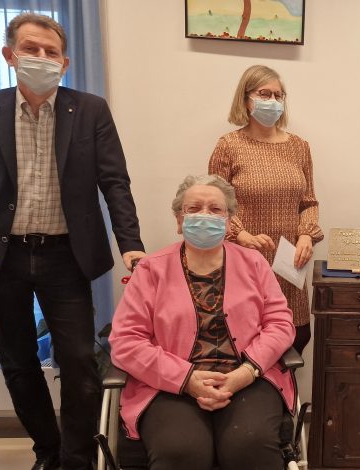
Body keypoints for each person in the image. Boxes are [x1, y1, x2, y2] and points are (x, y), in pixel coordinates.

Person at [0, 13, 145, 470]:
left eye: (51, 52)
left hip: (66, 258)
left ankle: (76, 461)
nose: (41, 58)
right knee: (17, 363)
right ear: (9, 55)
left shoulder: (90, 109)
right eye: (30, 49)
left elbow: (115, 183)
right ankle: (47, 452)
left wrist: (130, 242)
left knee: (78, 363)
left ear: (66, 62)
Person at [110, 174, 296, 470]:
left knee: (248, 443)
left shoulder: (254, 263)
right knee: (181, 451)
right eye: (193, 209)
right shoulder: (150, 270)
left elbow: (280, 323)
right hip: (169, 384)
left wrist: (245, 373)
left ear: (229, 219)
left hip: (247, 378)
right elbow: (125, 341)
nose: (204, 216)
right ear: (178, 219)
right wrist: (186, 379)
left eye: (215, 209)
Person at [209, 64, 322, 354]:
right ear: (246, 99)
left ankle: (286, 400)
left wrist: (307, 236)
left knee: (296, 339)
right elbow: (214, 205)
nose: (273, 101)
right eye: (264, 94)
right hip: (244, 263)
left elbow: (308, 202)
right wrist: (241, 235)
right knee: (247, 343)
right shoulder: (228, 146)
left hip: (289, 265)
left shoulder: (299, 147)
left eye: (279, 95)